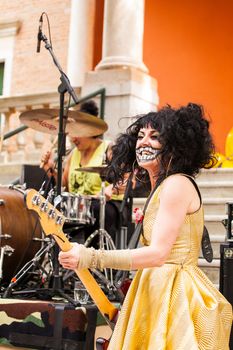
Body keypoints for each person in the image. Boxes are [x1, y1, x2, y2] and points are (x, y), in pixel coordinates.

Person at [58, 103, 232, 349]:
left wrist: (90, 256)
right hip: (156, 286)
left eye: (155, 137)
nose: (143, 143)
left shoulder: (176, 184)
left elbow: (158, 254)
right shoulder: (164, 185)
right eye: (140, 136)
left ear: (175, 144)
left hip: (175, 293)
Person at [41, 100, 128, 246]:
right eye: (71, 133)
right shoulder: (73, 155)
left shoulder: (109, 149)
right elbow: (63, 185)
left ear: (91, 130)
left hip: (109, 204)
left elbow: (129, 180)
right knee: (50, 209)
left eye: (77, 133)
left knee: (96, 210)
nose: (73, 138)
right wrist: (50, 168)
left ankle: (92, 261)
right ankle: (60, 259)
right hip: (80, 206)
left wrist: (111, 189)